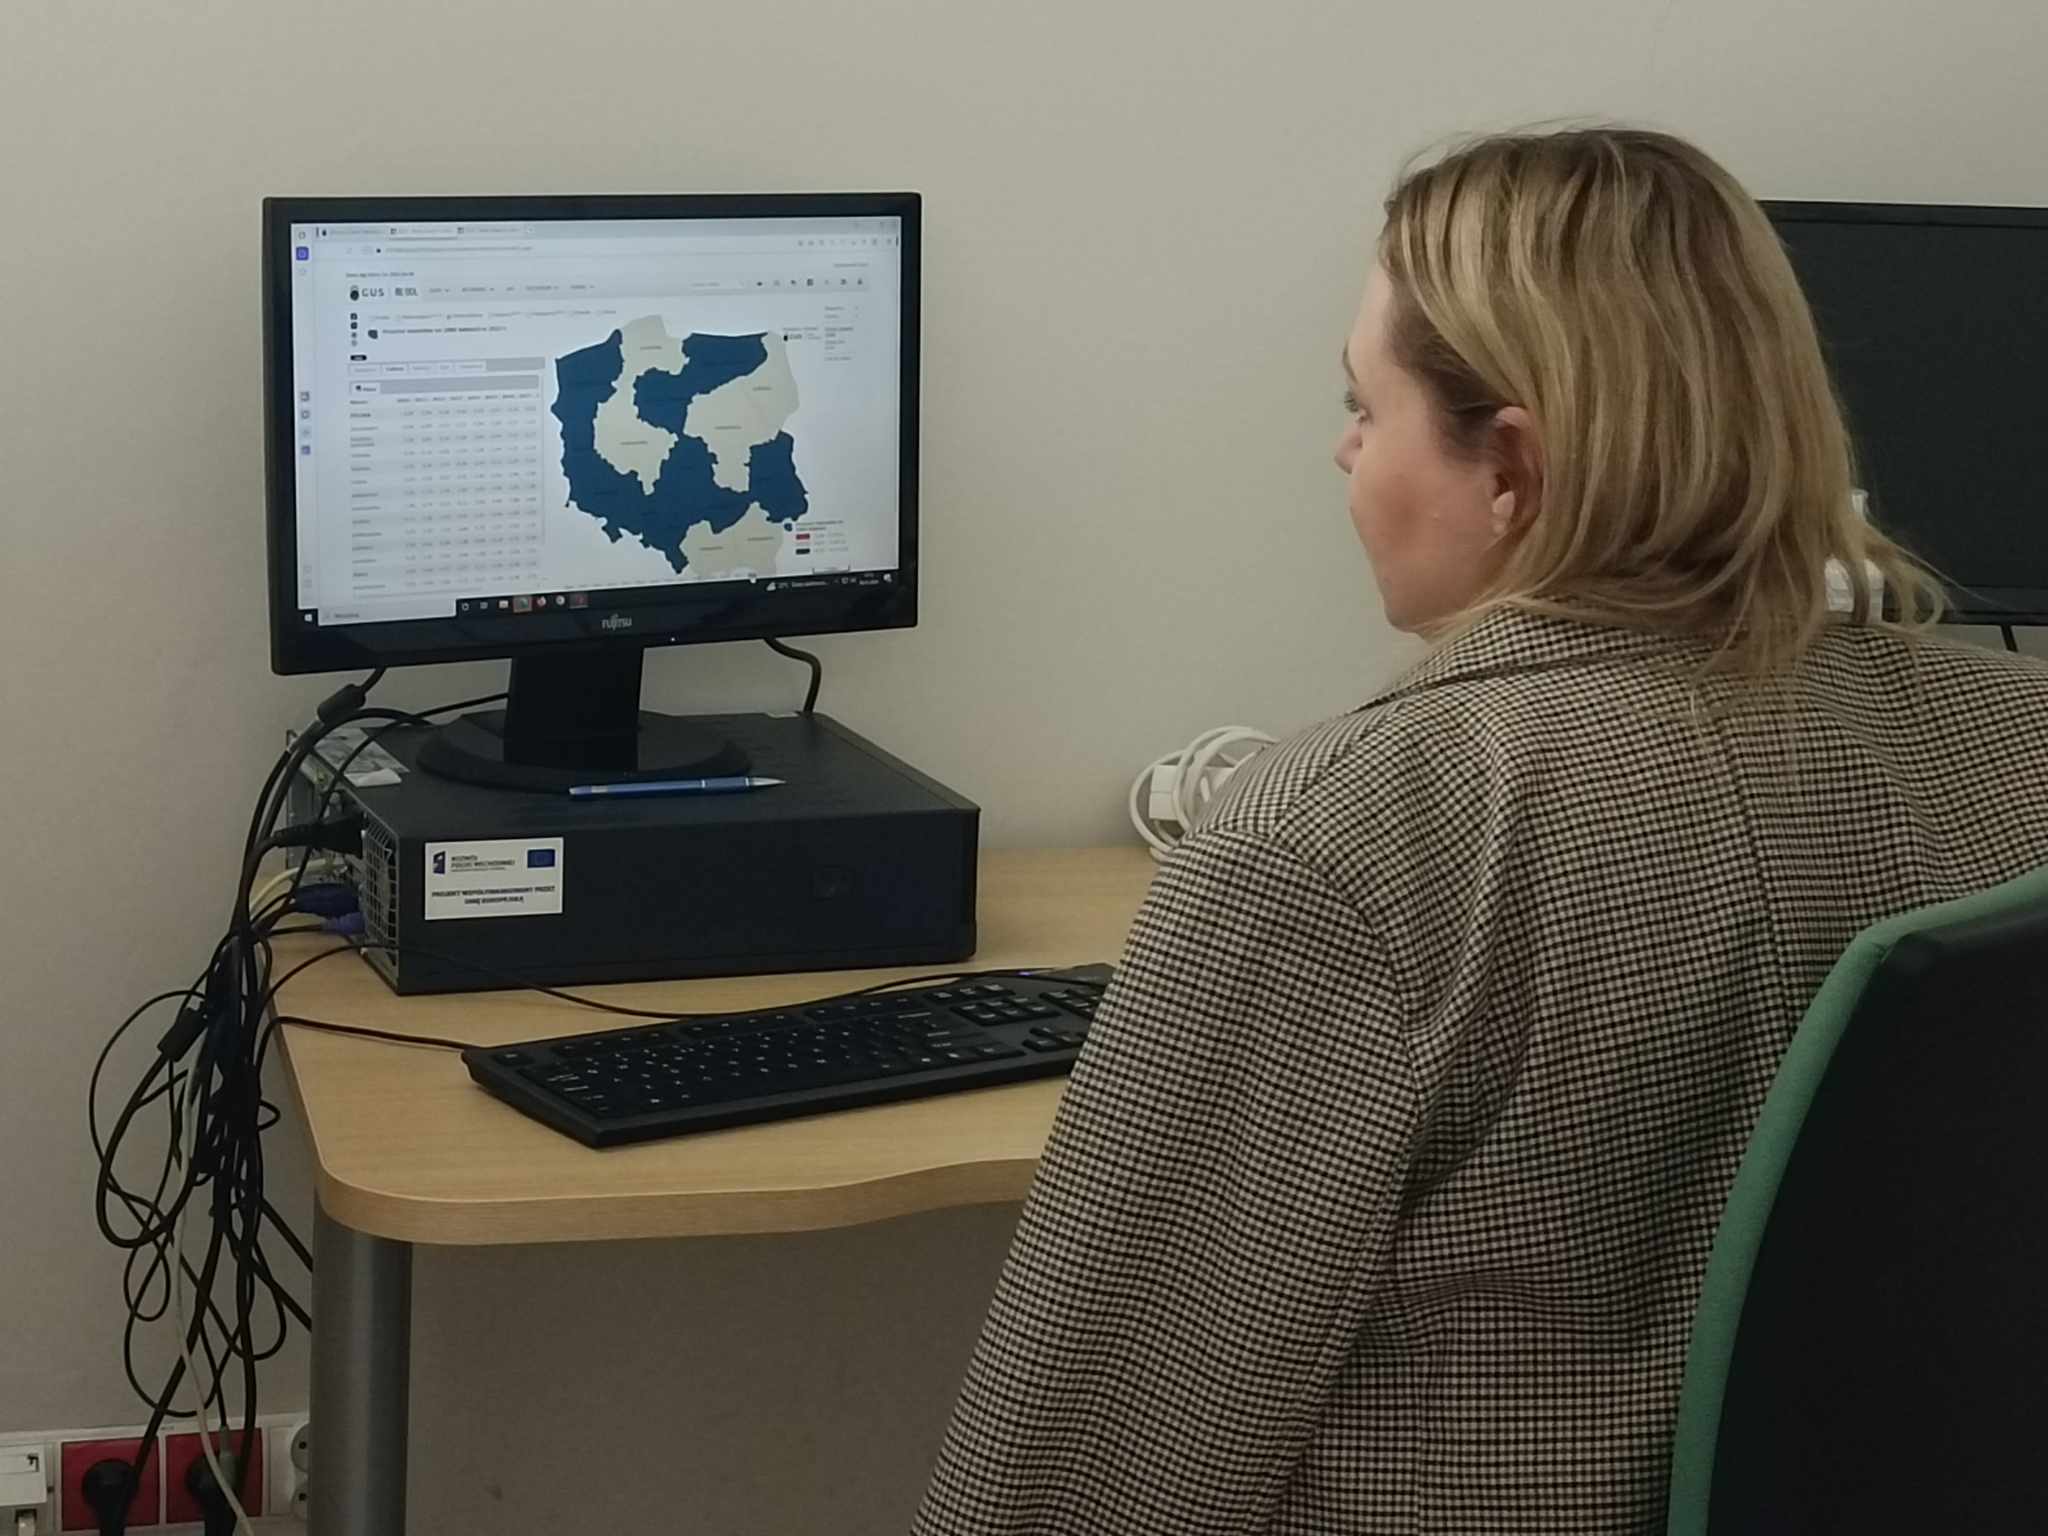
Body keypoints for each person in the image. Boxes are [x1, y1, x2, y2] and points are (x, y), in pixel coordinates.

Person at [910, 126, 2048, 1534]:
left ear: (1508, 466)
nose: (1343, 450)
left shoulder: (1333, 844)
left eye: (1364, 406)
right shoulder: (2021, 742)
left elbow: (1089, 1466)